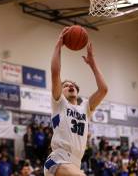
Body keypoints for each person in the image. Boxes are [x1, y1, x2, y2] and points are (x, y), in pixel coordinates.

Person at [44, 27, 108, 176]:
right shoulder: (59, 102)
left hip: (75, 163)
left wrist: (92, 64)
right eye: (65, 86)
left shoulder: (85, 108)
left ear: (77, 91)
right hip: (58, 159)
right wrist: (58, 45)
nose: (70, 86)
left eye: (72, 85)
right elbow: (55, 72)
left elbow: (103, 89)